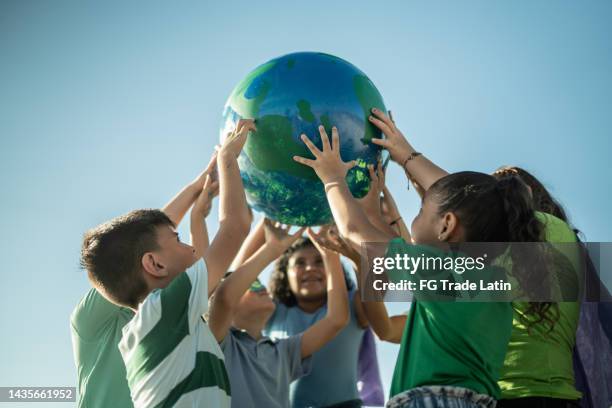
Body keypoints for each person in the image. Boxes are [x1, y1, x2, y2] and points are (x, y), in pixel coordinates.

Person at [292, 112, 551, 407]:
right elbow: (385, 250)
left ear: (446, 225)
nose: (413, 221)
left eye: (421, 212)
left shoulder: (441, 272)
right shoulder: (494, 281)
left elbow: (353, 231)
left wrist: (332, 179)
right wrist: (374, 214)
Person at [79, 119, 255, 407]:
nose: (190, 247)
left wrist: (198, 210)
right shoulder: (163, 309)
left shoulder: (164, 320)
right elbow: (236, 225)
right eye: (178, 239)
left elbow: (196, 254)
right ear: (155, 265)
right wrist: (227, 158)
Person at [71, 151, 218, 408]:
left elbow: (196, 264)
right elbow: (139, 242)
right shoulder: (95, 320)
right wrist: (194, 188)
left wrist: (199, 218)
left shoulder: (171, 312)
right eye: (177, 240)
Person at [207, 218, 350, 408]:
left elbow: (336, 319)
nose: (261, 286)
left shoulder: (283, 351)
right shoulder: (218, 343)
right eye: (252, 283)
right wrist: (271, 248)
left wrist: (331, 256)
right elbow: (225, 295)